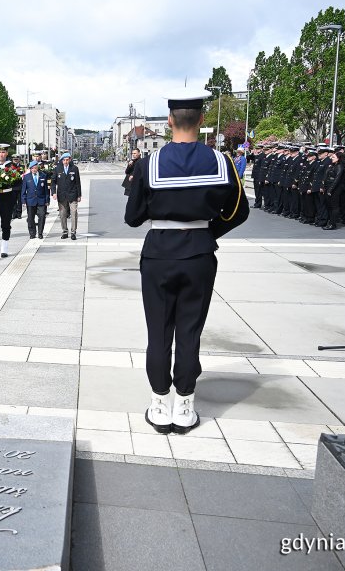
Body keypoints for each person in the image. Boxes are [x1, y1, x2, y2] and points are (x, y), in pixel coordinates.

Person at [124, 90, 248, 435]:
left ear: (168, 121)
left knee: (159, 331)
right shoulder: (222, 162)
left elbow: (132, 217)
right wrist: (207, 231)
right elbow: (239, 211)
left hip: (159, 253)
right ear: (202, 120)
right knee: (190, 330)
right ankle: (185, 405)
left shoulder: (151, 163)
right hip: (199, 254)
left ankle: (159, 403)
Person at [51, 152, 82, 239]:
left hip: (73, 194)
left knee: (74, 213)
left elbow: (77, 182)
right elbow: (53, 181)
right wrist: (53, 192)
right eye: (64, 160)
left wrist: (79, 195)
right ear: (62, 160)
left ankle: (73, 232)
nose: (65, 162)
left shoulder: (74, 168)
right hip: (62, 195)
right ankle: (65, 231)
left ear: (70, 160)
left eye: (67, 160)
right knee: (62, 214)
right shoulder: (57, 169)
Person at [21, 160, 49, 239]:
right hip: (30, 200)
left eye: (35, 168)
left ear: (37, 168)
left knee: (42, 216)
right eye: (32, 168)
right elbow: (23, 190)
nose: (34, 169)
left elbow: (46, 189)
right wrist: (23, 200)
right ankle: (32, 233)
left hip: (41, 200)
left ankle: (40, 233)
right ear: (30, 169)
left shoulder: (43, 175)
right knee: (30, 218)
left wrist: (47, 200)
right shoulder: (26, 177)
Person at [321, 148, 344, 230]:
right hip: (328, 187)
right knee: (329, 206)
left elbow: (336, 180)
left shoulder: (340, 167)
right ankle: (329, 222)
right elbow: (326, 177)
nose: (331, 158)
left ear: (338, 158)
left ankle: (333, 223)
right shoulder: (332, 166)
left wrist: (330, 190)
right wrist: (324, 187)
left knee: (334, 206)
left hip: (335, 189)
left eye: (333, 157)